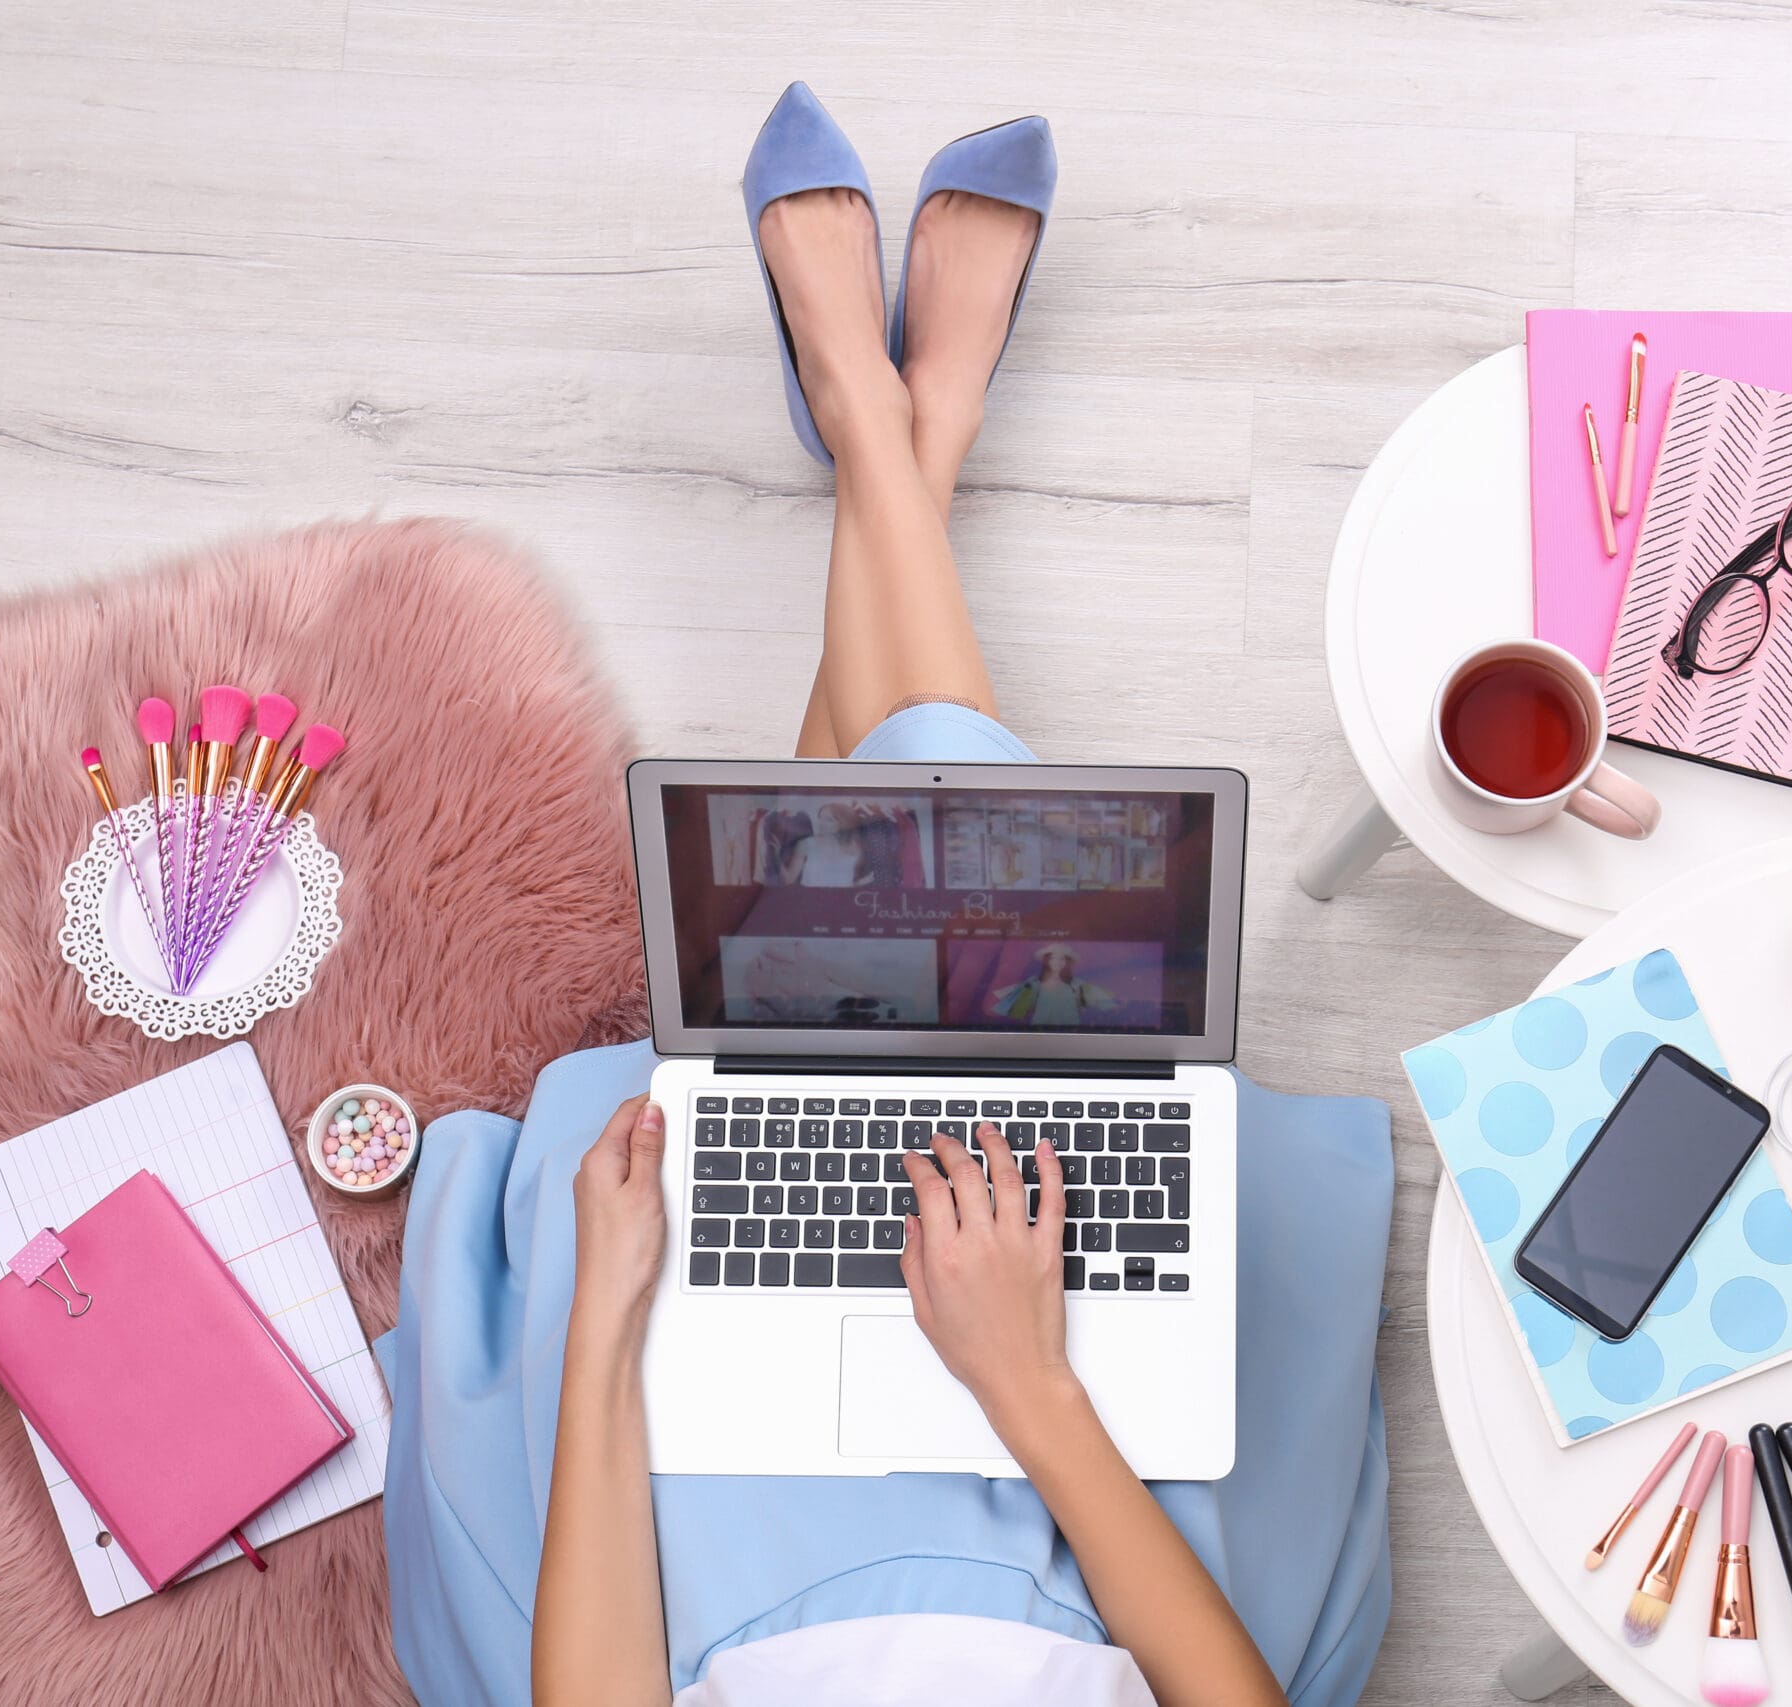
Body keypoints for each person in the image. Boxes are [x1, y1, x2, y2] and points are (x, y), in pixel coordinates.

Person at [379, 85, 1393, 1707]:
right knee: (959, 984)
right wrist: (1023, 1381)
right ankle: (894, 428)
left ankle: (885, 420)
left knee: (795, 1038)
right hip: (1097, 1538)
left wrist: (611, 1329)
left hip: (707, 1566)